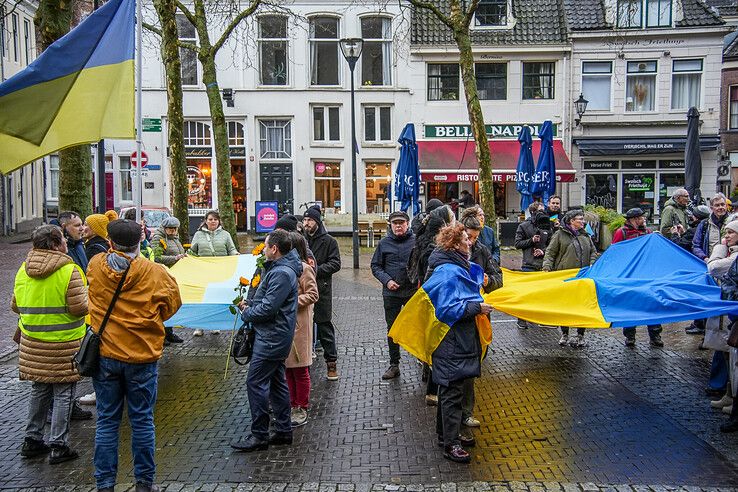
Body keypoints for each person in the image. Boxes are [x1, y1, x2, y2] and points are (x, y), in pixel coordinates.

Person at [87, 219, 182, 492]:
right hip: (141, 355)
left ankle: (104, 483)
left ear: (109, 243)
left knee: (106, 421)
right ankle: (144, 483)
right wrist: (148, 320)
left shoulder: (95, 265)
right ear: (140, 242)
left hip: (105, 353)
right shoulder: (155, 272)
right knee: (142, 421)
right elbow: (172, 305)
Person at [13, 225, 88, 464]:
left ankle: (32, 439)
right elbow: (80, 308)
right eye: (63, 240)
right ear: (57, 244)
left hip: (33, 342)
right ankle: (58, 444)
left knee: (39, 389)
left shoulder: (23, 270)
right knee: (64, 392)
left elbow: (16, 305)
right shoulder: (69, 271)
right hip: (63, 342)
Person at [424, 223, 494, 463]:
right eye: (465, 239)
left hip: (456, 340)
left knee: (449, 390)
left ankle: (446, 435)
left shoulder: (454, 266)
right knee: (452, 391)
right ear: (454, 245)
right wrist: (478, 307)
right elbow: (446, 309)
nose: (470, 242)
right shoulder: (448, 271)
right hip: (452, 341)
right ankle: (451, 444)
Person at [231, 229, 302, 452]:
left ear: (274, 249)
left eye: (266, 245)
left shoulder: (281, 273)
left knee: (255, 383)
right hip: (275, 335)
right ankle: (283, 430)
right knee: (276, 383)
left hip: (271, 337)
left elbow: (270, 308)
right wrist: (252, 306)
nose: (264, 248)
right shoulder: (282, 269)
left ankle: (259, 435)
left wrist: (247, 312)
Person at [407, 205, 454, 405]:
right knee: (437, 344)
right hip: (436, 304)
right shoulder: (433, 252)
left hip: (432, 301)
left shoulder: (426, 246)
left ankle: (431, 381)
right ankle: (433, 390)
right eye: (451, 218)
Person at [459, 215, 502, 429]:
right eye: (468, 236)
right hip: (456, 314)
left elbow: (498, 278)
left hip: (478, 315)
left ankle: (466, 411)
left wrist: (489, 281)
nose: (471, 241)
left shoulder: (482, 251)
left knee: (472, 364)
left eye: (475, 237)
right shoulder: (448, 251)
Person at [371, 211, 417, 380]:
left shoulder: (416, 242)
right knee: (392, 329)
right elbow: (375, 266)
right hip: (391, 293)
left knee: (417, 326)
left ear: (408, 224)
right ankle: (394, 364)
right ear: (390, 225)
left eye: (402, 223)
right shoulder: (384, 243)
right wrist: (387, 280)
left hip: (412, 292)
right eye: (395, 223)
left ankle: (422, 358)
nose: (398, 226)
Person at [542, 210, 598, 347]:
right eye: (580, 219)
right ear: (571, 221)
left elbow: (593, 251)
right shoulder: (559, 235)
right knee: (565, 306)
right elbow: (550, 252)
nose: (583, 221)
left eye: (582, 219)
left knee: (581, 307)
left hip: (582, 278)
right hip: (565, 277)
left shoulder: (585, 235)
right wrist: (547, 267)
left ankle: (580, 335)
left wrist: (591, 263)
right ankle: (565, 333)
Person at [611, 208, 664, 348]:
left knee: (652, 304)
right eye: (641, 218)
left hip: (646, 275)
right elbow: (615, 252)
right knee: (630, 305)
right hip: (629, 276)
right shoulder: (621, 233)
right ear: (634, 219)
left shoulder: (647, 233)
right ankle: (630, 336)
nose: (644, 220)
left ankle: (655, 335)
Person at [302, 205, 341, 381]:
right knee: (303, 327)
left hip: (321, 289)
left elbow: (335, 263)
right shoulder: (300, 240)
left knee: (324, 326)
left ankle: (331, 363)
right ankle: (304, 363)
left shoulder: (329, 242)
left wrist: (314, 270)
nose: (306, 223)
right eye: (305, 220)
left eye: (310, 220)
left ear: (317, 222)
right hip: (302, 290)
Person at [285, 232, 318, 427]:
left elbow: (313, 294)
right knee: (288, 368)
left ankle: (301, 406)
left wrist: (291, 302)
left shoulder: (305, 269)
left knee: (300, 367)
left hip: (299, 323)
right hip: (285, 323)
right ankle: (291, 404)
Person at [188, 210, 238, 336]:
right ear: (206, 221)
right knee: (203, 299)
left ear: (219, 221)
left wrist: (236, 256)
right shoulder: (198, 235)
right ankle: (199, 326)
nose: (213, 221)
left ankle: (214, 325)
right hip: (203, 272)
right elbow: (192, 251)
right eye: (210, 219)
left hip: (221, 272)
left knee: (216, 297)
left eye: (215, 219)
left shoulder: (226, 234)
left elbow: (231, 249)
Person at [688, 195, 729, 336]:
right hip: (710, 269)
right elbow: (696, 245)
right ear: (711, 207)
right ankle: (709, 337)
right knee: (710, 302)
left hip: (730, 269)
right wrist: (705, 258)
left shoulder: (733, 221)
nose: (720, 208)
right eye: (717, 205)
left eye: (722, 204)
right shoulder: (705, 224)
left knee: (727, 301)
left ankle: (726, 336)